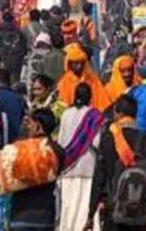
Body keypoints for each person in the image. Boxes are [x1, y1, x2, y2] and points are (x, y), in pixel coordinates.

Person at [87, 94, 146, 231]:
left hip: (113, 212)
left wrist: (90, 214)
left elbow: (99, 179)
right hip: (139, 214)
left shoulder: (108, 139)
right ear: (135, 114)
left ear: (117, 113)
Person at [58, 83, 105, 231]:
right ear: (90, 97)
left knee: (68, 206)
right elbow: (97, 143)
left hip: (67, 168)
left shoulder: (66, 114)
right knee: (85, 207)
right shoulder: (94, 115)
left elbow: (61, 141)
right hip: (88, 168)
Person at [58, 43, 111, 112]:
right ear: (70, 63)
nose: (79, 66)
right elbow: (63, 104)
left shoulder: (92, 79)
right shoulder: (64, 81)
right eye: (76, 63)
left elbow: (102, 100)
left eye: (81, 63)